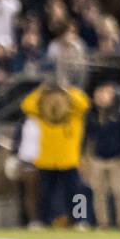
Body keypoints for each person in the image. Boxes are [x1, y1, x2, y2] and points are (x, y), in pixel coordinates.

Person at [21, 83, 90, 227]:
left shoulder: (74, 114)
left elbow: (84, 103)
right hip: (47, 160)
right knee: (44, 194)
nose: (55, 102)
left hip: (69, 160)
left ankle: (80, 220)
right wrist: (41, 91)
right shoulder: (42, 113)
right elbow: (26, 105)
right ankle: (41, 221)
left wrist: (68, 90)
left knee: (77, 193)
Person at [82, 84, 120, 229]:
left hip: (117, 159)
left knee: (119, 192)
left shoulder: (119, 114)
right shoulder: (92, 115)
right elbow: (87, 137)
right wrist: (84, 157)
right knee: (99, 192)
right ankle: (102, 223)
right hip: (98, 159)